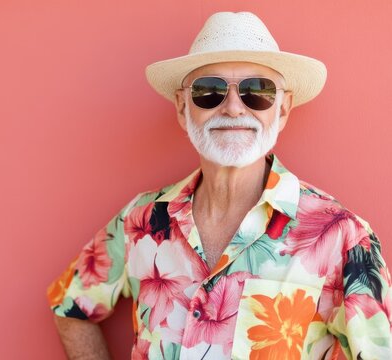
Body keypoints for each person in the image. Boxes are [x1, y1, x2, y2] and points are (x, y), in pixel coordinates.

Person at [46, 11, 392, 360]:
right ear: (183, 107)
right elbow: (70, 306)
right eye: (208, 91)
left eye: (257, 91)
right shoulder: (142, 219)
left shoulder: (343, 238)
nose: (232, 107)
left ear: (283, 109)